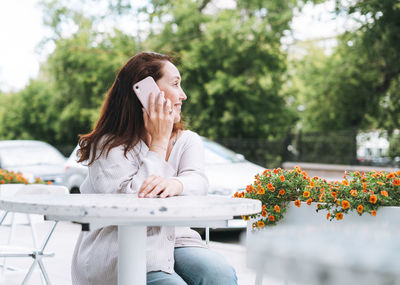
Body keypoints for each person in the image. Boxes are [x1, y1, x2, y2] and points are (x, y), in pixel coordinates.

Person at [71, 52, 237, 285]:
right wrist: (158, 144)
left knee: (220, 274)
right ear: (145, 91)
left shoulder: (187, 140)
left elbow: (198, 182)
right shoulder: (108, 145)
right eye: (175, 84)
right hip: (118, 248)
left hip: (175, 240)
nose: (183, 95)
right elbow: (132, 203)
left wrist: (175, 184)